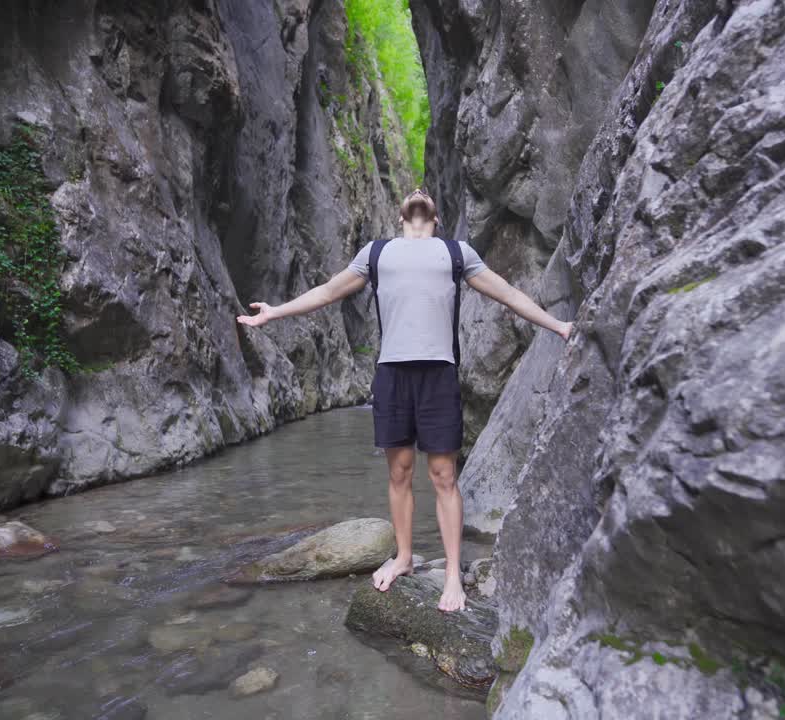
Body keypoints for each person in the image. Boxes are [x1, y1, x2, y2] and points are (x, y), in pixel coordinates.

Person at [236, 188, 572, 612]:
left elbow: (509, 294)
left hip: (439, 373)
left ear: (436, 217)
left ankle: (453, 575)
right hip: (392, 375)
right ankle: (404, 557)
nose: (418, 193)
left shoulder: (456, 253)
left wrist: (559, 326)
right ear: (399, 217)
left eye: (425, 193)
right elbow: (326, 292)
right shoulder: (376, 254)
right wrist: (274, 312)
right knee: (399, 472)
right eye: (412, 193)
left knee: (444, 476)